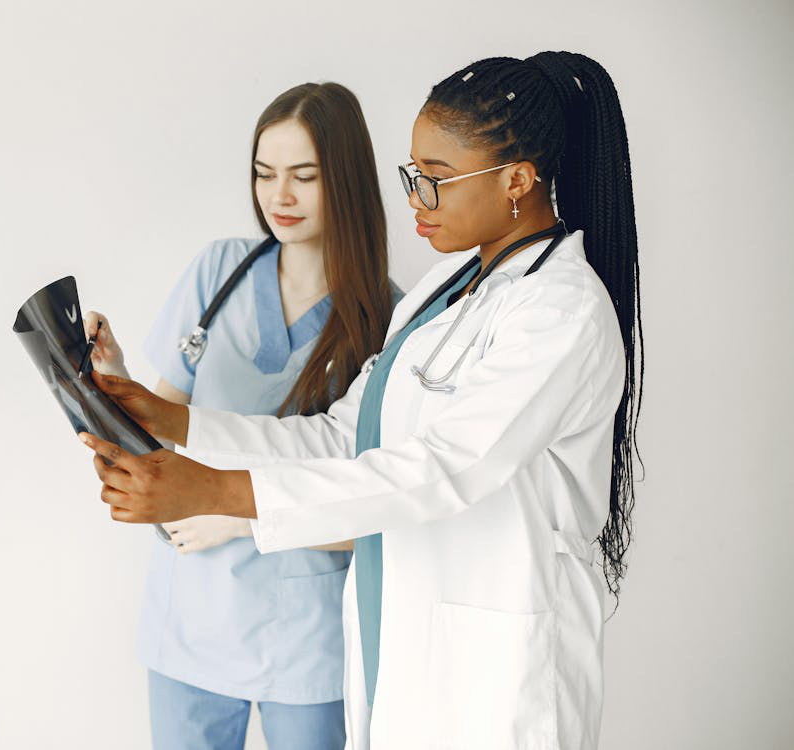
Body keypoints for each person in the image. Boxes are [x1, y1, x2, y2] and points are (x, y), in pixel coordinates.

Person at [80, 51, 644, 750]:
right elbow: (342, 436)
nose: (414, 198)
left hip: (496, 674)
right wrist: (169, 417)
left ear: (516, 182)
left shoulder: (560, 312)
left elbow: (441, 469)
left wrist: (218, 494)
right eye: (412, 175)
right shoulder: (441, 296)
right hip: (401, 650)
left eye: (435, 180)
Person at [83, 82, 400, 750]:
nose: (278, 196)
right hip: (190, 614)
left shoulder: (388, 322)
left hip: (303, 635)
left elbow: (376, 505)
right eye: (264, 174)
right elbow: (161, 432)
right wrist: (111, 376)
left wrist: (238, 521)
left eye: (303, 176)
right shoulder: (219, 270)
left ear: (343, 179)